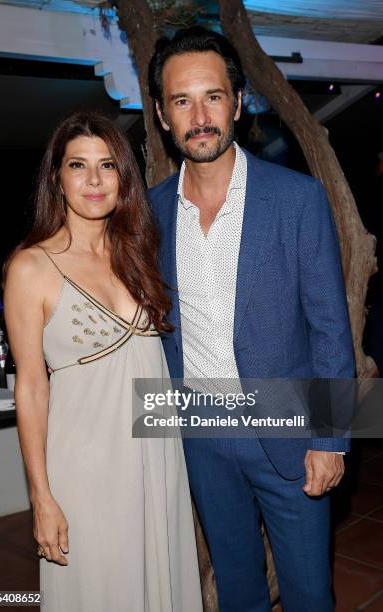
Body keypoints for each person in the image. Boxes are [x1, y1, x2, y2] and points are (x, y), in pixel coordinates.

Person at [148, 27, 355, 611]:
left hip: (289, 433)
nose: (200, 115)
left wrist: (331, 438)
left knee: (309, 593)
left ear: (238, 102)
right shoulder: (153, 211)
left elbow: (330, 328)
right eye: (182, 101)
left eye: (213, 96)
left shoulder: (298, 199)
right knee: (238, 590)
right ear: (163, 116)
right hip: (202, 435)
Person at [3, 111, 203, 612]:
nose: (94, 180)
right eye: (78, 165)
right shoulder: (31, 267)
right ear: (58, 178)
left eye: (108, 165)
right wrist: (42, 498)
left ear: (123, 178)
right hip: (87, 468)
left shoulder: (137, 252)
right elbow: (30, 386)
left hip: (156, 457)